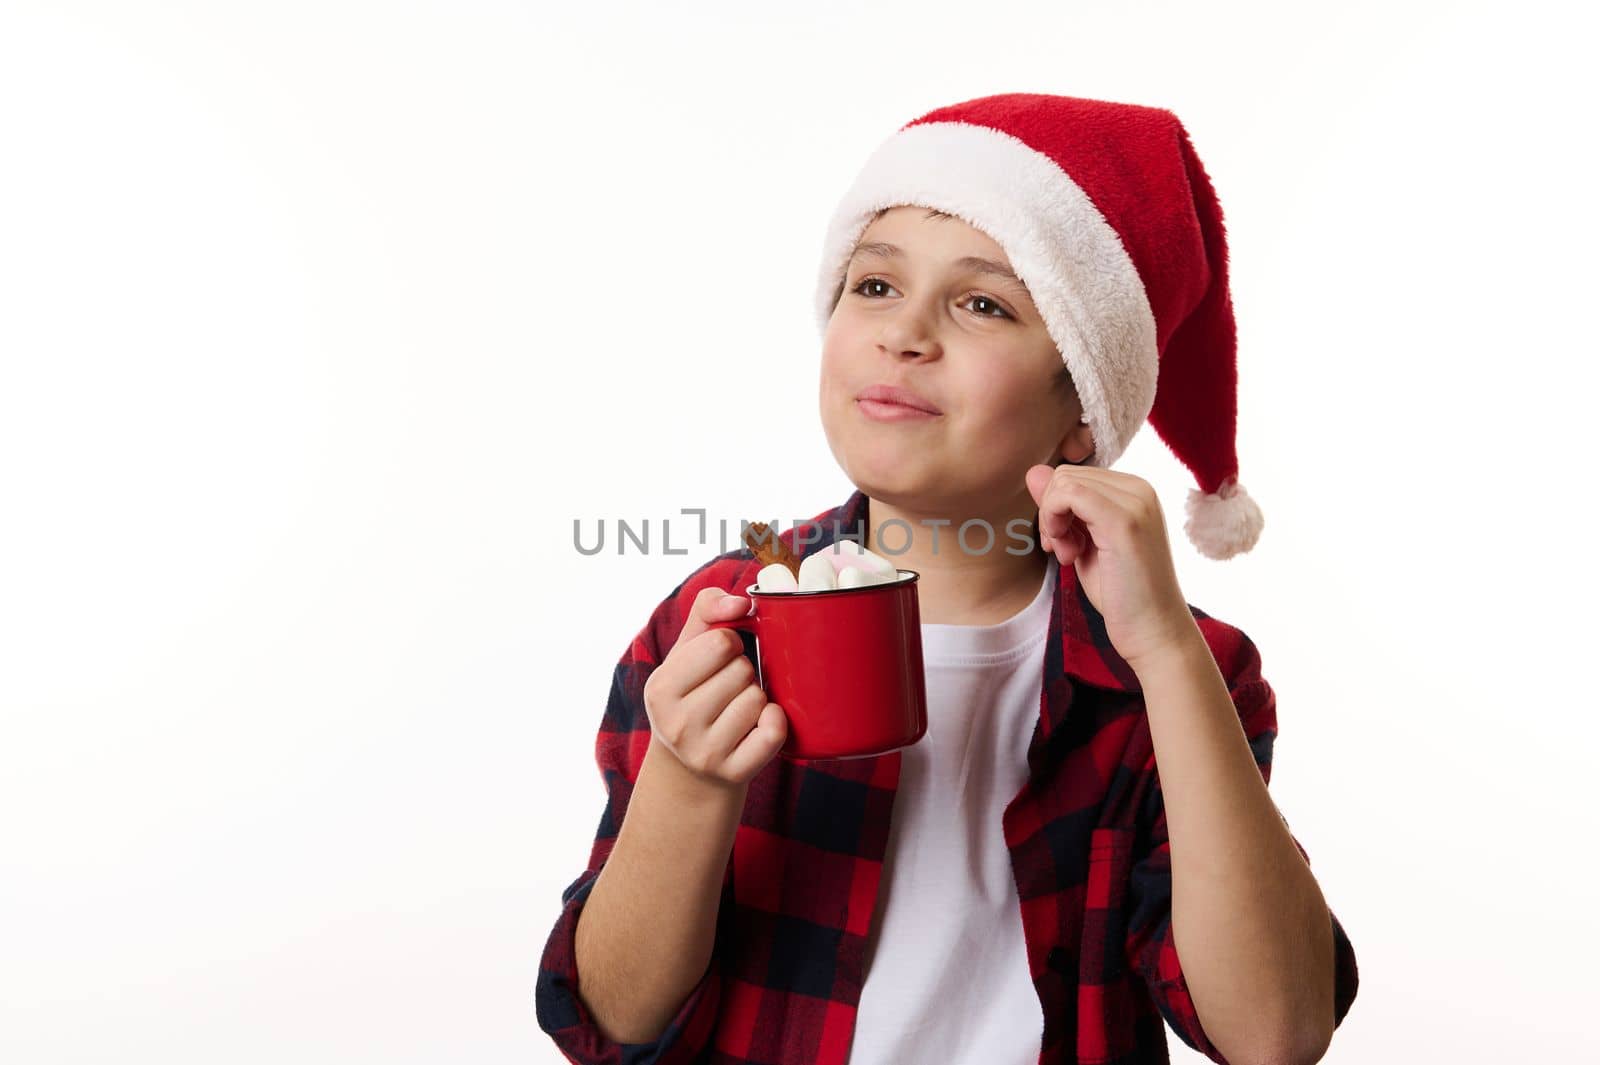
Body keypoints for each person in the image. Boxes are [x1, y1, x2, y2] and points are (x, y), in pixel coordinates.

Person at [536, 92, 1359, 1065]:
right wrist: (686, 780)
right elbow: (610, 1025)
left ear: (1081, 409)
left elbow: (1275, 1032)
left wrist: (1166, 652)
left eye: (982, 304)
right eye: (874, 287)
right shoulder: (718, 620)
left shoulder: (1184, 668)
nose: (903, 334)